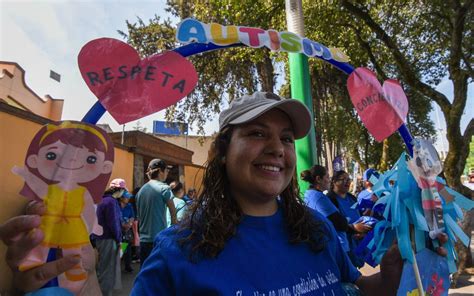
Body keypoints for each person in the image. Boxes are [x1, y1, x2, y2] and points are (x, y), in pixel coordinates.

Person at [1, 92, 449, 295]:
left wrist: (390, 277)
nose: (276, 147)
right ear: (221, 153)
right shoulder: (181, 250)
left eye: (286, 138)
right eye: (256, 133)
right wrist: (72, 289)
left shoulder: (314, 229)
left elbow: (351, 290)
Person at [136, 159, 177, 267]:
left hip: (143, 240)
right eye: (166, 171)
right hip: (159, 239)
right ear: (160, 171)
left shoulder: (140, 191)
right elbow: (173, 213)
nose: (167, 174)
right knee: (159, 274)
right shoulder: (164, 188)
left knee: (145, 273)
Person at [327, 170, 371, 268]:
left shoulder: (352, 198)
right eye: (343, 179)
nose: (347, 182)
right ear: (334, 181)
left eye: (348, 179)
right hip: (342, 246)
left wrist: (362, 231)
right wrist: (354, 229)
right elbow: (334, 224)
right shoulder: (329, 200)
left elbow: (360, 216)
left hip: (357, 242)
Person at [92, 180, 125, 296]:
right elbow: (114, 223)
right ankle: (105, 293)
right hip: (108, 239)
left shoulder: (102, 200)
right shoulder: (111, 202)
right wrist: (119, 238)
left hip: (99, 238)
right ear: (120, 190)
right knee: (108, 270)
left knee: (101, 268)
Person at [115, 179, 135, 273]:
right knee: (120, 249)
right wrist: (122, 225)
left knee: (127, 248)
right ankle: (117, 266)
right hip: (119, 230)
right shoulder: (116, 206)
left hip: (127, 230)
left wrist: (129, 224)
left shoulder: (129, 206)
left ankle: (128, 265)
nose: (128, 198)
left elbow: (132, 216)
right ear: (121, 197)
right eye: (126, 197)